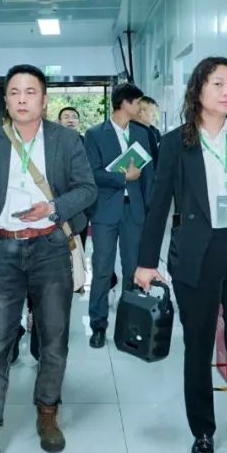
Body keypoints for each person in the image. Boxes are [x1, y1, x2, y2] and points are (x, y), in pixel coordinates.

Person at [134, 56, 227, 453]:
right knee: (198, 348)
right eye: (218, 84)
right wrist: (145, 262)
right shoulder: (175, 143)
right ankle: (203, 432)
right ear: (198, 89)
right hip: (196, 255)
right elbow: (158, 205)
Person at [0, 64, 96, 453]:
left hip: (50, 248)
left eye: (31, 92)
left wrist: (53, 207)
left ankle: (47, 412)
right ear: (6, 100)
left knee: (54, 339)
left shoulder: (66, 140)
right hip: (3, 251)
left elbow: (87, 189)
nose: (22, 99)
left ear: (44, 100)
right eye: (14, 92)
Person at [83, 82, 155, 348]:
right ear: (125, 103)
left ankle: (128, 325)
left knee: (132, 269)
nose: (140, 108)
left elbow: (149, 175)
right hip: (105, 211)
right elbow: (91, 173)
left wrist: (149, 210)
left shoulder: (142, 133)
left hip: (134, 211)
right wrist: (123, 178)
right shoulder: (94, 134)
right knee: (102, 269)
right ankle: (98, 325)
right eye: (137, 103)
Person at [133, 95, 162, 165]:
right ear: (140, 112)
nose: (154, 115)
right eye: (152, 111)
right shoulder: (133, 131)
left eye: (155, 111)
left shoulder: (155, 132)